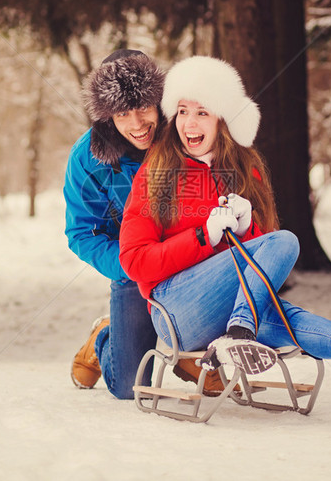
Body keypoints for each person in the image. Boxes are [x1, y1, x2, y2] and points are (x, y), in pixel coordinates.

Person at [119, 55, 331, 390]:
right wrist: (202, 237)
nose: (189, 123)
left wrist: (248, 228)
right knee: (284, 242)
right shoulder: (156, 174)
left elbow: (263, 269)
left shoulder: (245, 170)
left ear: (223, 120)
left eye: (202, 112)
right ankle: (239, 332)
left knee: (274, 308)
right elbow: (134, 261)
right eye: (183, 111)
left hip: (232, 304)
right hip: (174, 310)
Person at [65, 49, 227, 399]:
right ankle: (105, 337)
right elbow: (81, 232)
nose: (136, 123)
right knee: (129, 387)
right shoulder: (87, 158)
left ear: (160, 102)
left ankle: (188, 351)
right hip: (134, 269)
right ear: (108, 116)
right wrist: (130, 266)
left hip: (190, 260)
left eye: (143, 108)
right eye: (123, 113)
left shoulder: (186, 134)